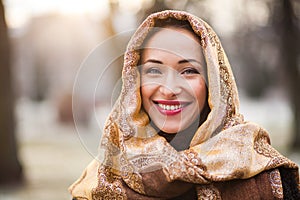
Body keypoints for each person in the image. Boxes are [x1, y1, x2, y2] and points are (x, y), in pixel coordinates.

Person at [69, 10, 299, 199]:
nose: (169, 89)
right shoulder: (104, 177)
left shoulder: (263, 169)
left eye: (188, 71)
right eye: (154, 70)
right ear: (135, 81)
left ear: (214, 84)